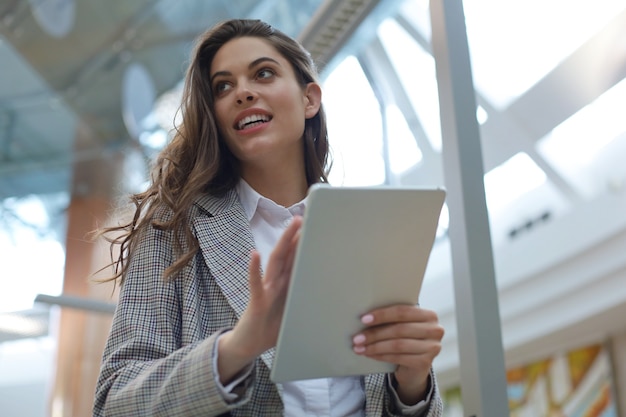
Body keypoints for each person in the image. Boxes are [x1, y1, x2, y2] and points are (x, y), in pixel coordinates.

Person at [93, 18, 444, 417]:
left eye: (263, 73)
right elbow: (114, 403)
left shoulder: (367, 231)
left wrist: (412, 383)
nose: (242, 92)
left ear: (309, 99)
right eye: (223, 86)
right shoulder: (170, 229)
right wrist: (238, 346)